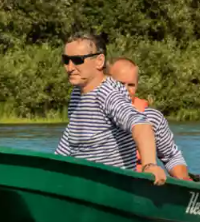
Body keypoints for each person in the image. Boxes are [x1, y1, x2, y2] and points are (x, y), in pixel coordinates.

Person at [54, 32, 168, 186]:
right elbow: (71, 140)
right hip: (83, 182)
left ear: (99, 61)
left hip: (113, 186)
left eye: (77, 60)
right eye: (66, 60)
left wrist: (150, 165)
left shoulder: (108, 95)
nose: (69, 67)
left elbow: (142, 126)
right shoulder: (77, 93)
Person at [108, 57, 192, 181]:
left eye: (131, 85)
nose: (125, 90)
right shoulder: (94, 113)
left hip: (140, 183)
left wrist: (185, 181)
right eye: (120, 84)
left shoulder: (152, 117)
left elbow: (171, 157)